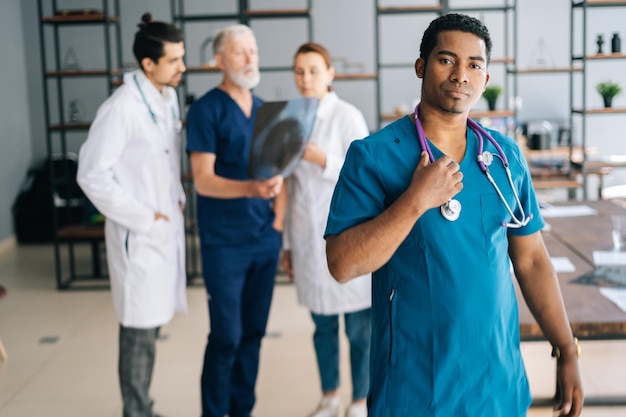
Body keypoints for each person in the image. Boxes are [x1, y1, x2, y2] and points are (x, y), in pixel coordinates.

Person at [324, 13, 584, 417]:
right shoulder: (374, 156)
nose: (460, 75)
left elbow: (531, 260)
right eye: (446, 60)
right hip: (414, 385)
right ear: (421, 67)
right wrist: (414, 201)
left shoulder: (504, 156)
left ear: (485, 77)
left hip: (496, 380)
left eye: (474, 65)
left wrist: (566, 349)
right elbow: (342, 263)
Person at [76, 13, 187, 417]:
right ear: (148, 64)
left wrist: (174, 201)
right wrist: (145, 216)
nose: (182, 67)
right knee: (138, 333)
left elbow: (163, 160)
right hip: (139, 234)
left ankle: (142, 406)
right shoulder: (121, 108)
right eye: (174, 60)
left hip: (162, 227)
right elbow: (90, 174)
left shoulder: (165, 96)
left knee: (151, 328)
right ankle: (137, 411)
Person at [185, 24, 284, 417]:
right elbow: (204, 181)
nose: (250, 58)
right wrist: (250, 190)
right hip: (224, 242)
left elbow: (281, 172)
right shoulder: (206, 110)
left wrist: (278, 224)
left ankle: (242, 409)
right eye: (240, 52)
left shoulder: (265, 111)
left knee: (254, 333)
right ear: (220, 60)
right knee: (227, 335)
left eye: (253, 51)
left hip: (264, 238)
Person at [282, 42, 371, 417]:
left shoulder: (348, 117)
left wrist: (323, 159)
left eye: (314, 71)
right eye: (299, 71)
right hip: (306, 235)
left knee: (358, 330)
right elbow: (289, 185)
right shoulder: (290, 119)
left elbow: (365, 176)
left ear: (330, 73)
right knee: (321, 326)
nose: (306, 79)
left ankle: (360, 399)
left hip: (347, 234)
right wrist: (287, 243)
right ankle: (330, 395)